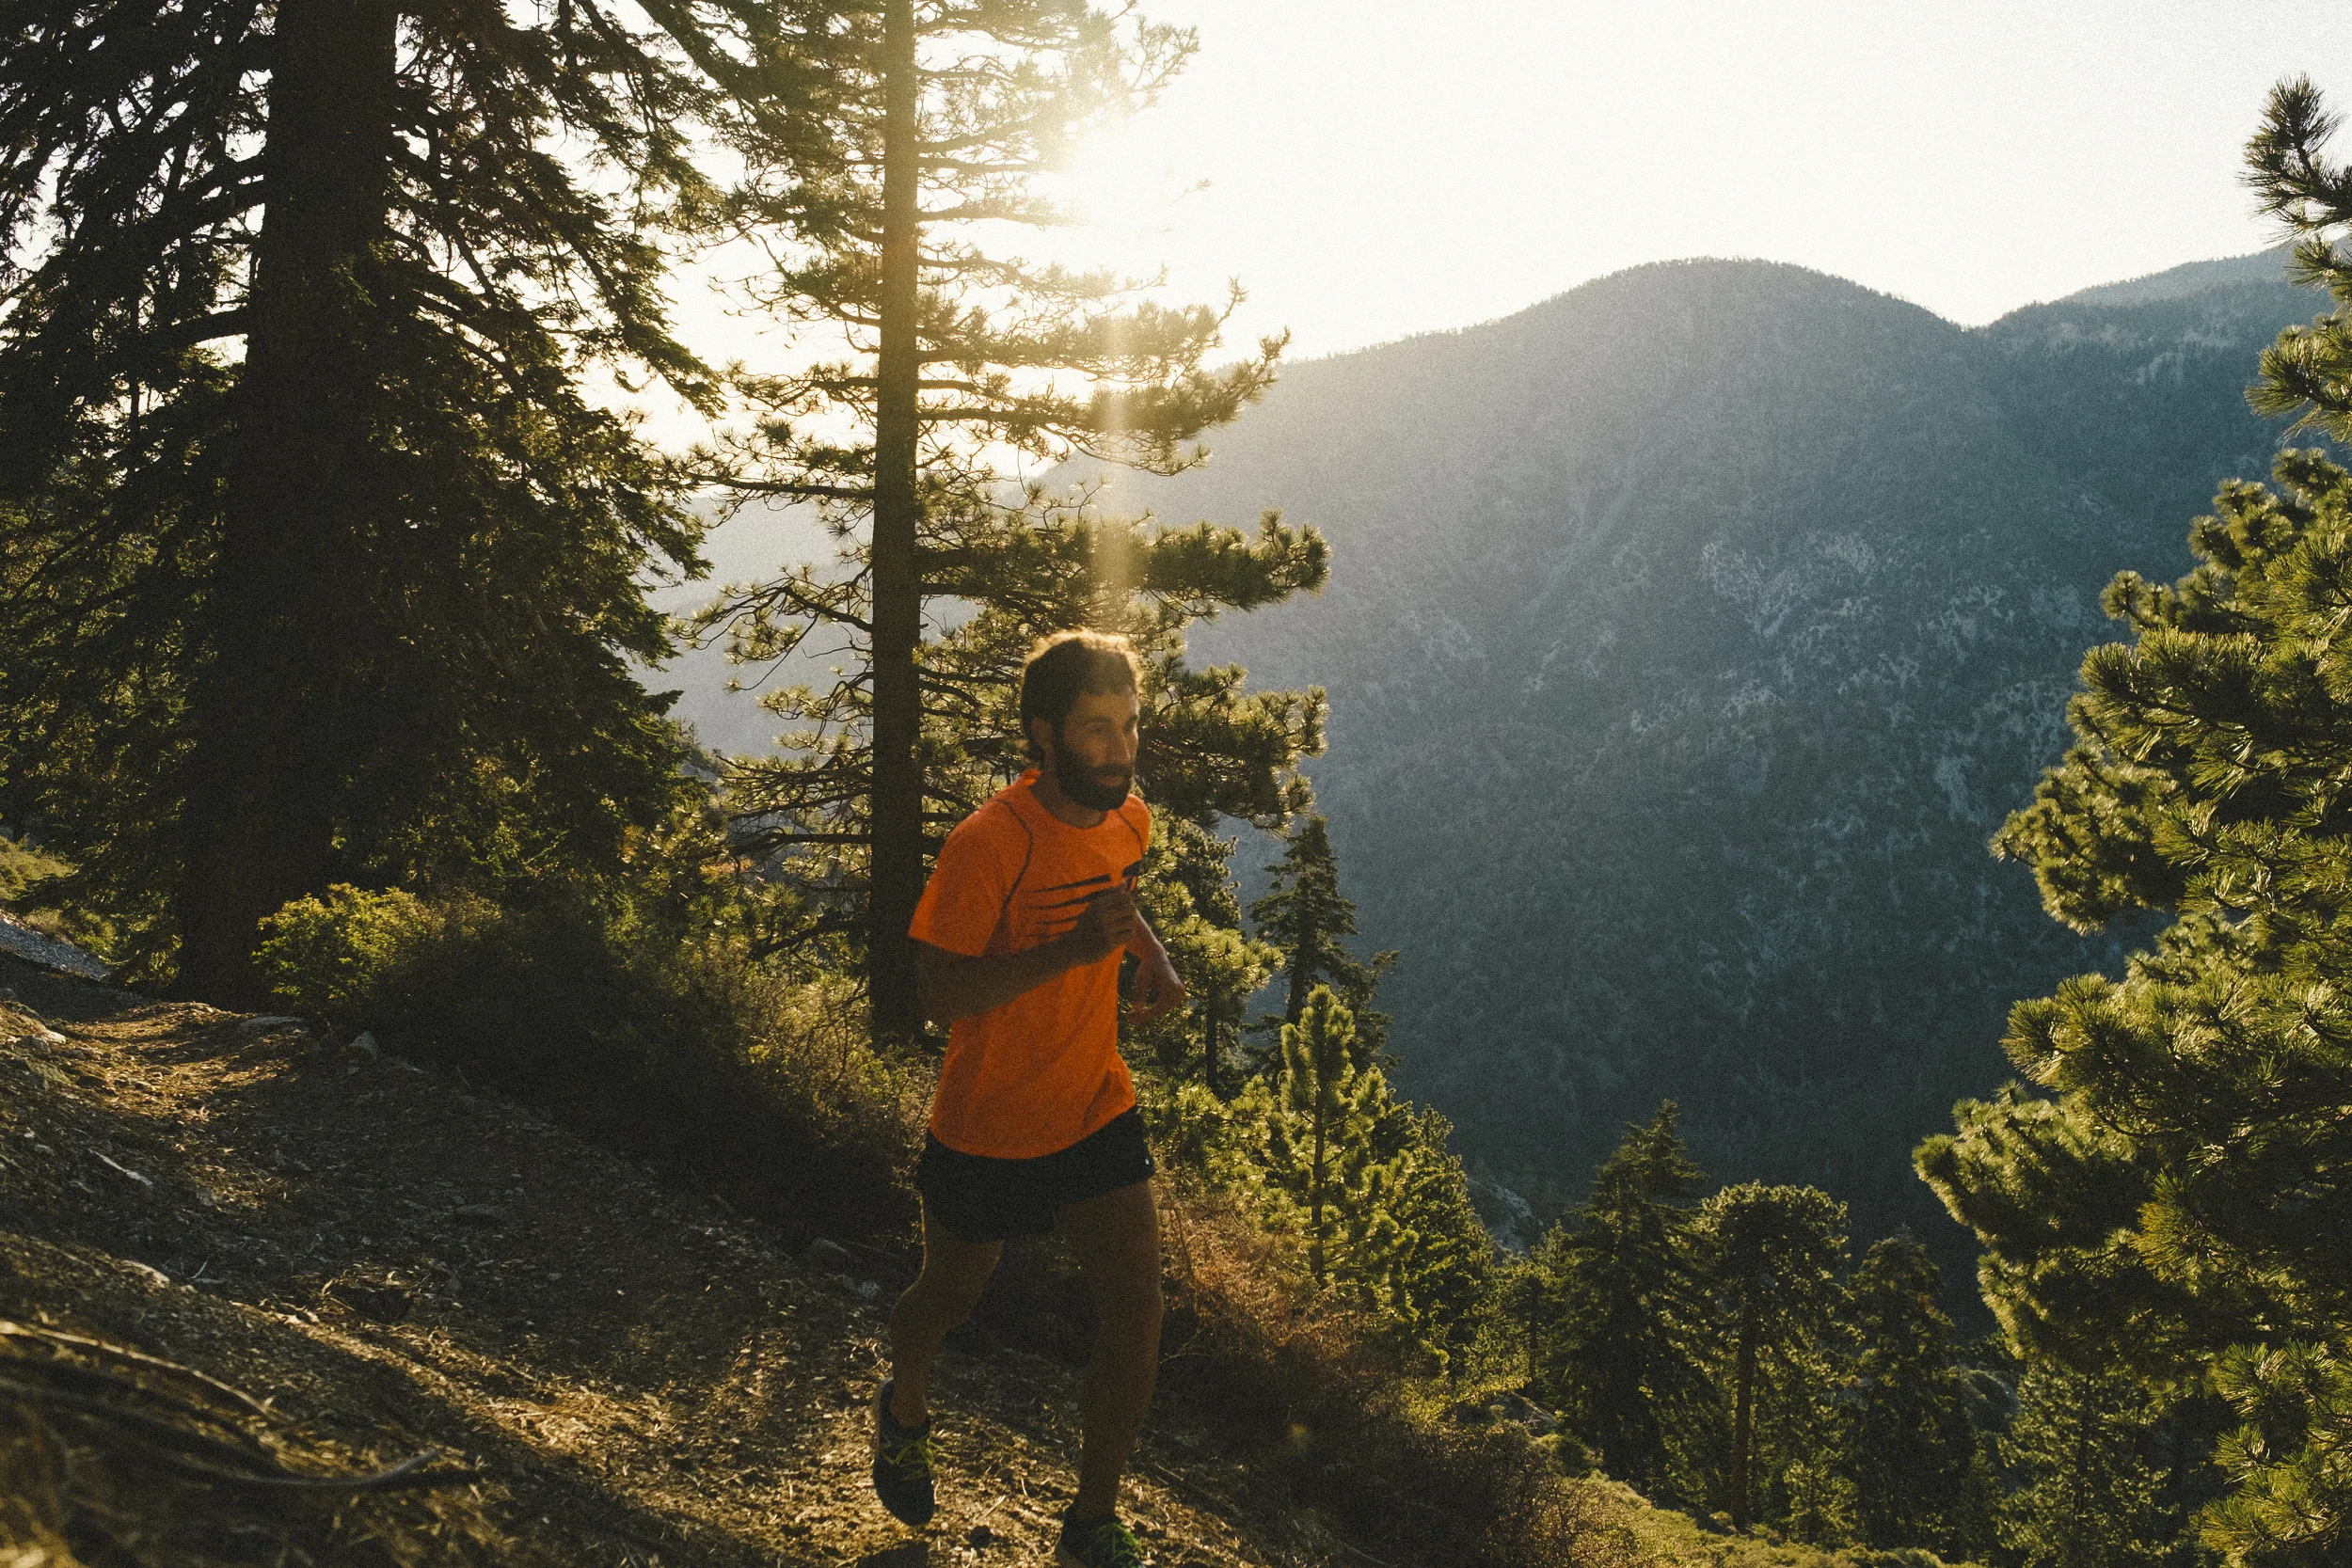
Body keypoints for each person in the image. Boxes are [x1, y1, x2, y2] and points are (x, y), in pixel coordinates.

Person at [872, 629, 1188, 1568]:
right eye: (1097, 729)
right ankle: (903, 1404)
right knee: (948, 1294)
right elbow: (937, 994)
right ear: (1043, 734)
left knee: (1137, 1310)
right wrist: (1069, 955)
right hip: (987, 1125)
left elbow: (1114, 908)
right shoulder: (990, 842)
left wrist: (1153, 955)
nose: (1121, 748)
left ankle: (1091, 1520)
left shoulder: (1128, 818)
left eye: (1129, 724)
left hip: (1092, 1105)